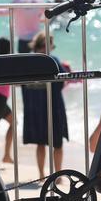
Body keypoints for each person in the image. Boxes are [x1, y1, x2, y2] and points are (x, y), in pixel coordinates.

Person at [21, 31, 68, 178]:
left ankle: (41, 174)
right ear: (48, 44)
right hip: (53, 106)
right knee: (57, 144)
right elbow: (62, 81)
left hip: (34, 108)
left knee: (40, 143)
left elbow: (22, 84)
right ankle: (58, 176)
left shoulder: (27, 61)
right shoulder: (52, 60)